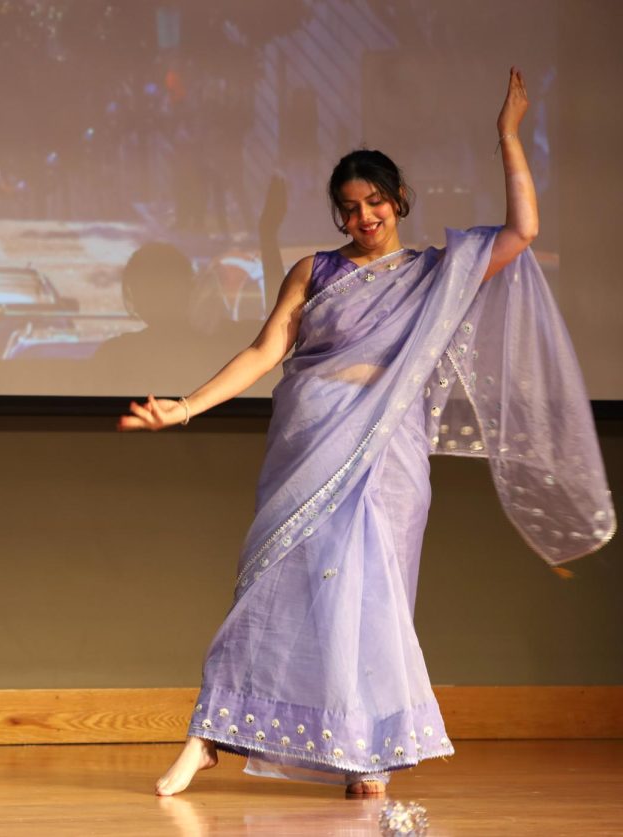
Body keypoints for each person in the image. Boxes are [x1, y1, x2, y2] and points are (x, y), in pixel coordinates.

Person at [119, 68, 613, 798]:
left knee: (373, 599)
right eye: (349, 208)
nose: (364, 217)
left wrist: (508, 137)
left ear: (399, 199)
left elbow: (522, 232)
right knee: (272, 591)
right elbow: (264, 353)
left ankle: (367, 753)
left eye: (375, 201)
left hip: (388, 459)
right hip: (307, 446)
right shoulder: (314, 270)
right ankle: (209, 733)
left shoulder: (436, 273)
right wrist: (185, 407)